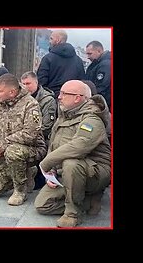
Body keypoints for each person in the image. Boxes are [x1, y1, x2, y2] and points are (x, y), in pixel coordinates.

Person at [34, 80, 111, 227]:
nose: (59, 97)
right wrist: (52, 172)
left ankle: (72, 213)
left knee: (72, 163)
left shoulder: (92, 119)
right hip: (68, 172)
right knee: (42, 204)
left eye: (64, 93)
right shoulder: (65, 115)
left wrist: (47, 162)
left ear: (77, 97)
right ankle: (88, 201)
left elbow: (78, 146)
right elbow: (55, 145)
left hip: (94, 172)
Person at [0, 73, 47, 205]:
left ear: (12, 92)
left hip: (31, 149)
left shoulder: (30, 104)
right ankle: (26, 172)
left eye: (0, 91)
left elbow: (30, 134)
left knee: (13, 152)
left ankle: (20, 190)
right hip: (3, 153)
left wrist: (1, 146)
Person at [20, 71, 57, 191]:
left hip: (42, 138)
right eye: (23, 84)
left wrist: (28, 133)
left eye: (28, 83)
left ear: (36, 82)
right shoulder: (22, 99)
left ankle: (38, 179)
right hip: (24, 135)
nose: (26, 86)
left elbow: (47, 126)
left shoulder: (47, 100)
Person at [36, 30, 86, 98]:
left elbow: (41, 82)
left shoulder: (48, 58)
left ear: (58, 40)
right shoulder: (79, 61)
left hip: (52, 99)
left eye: (51, 38)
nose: (49, 41)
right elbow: (81, 82)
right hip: (72, 100)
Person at [85, 41, 111, 108]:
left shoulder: (105, 65)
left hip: (102, 102)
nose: (88, 57)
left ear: (99, 51)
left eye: (90, 54)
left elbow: (101, 87)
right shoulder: (97, 63)